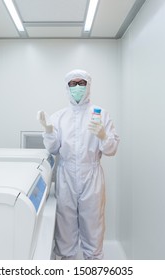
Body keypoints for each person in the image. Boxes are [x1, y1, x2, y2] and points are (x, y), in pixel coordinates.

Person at [37, 69, 120, 260]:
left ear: (88, 85)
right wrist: (49, 129)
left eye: (81, 83)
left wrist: (103, 135)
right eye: (72, 84)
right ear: (67, 87)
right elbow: (53, 149)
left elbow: (111, 149)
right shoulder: (59, 117)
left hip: (92, 175)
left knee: (94, 227)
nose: (77, 88)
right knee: (65, 230)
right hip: (65, 176)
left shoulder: (101, 114)